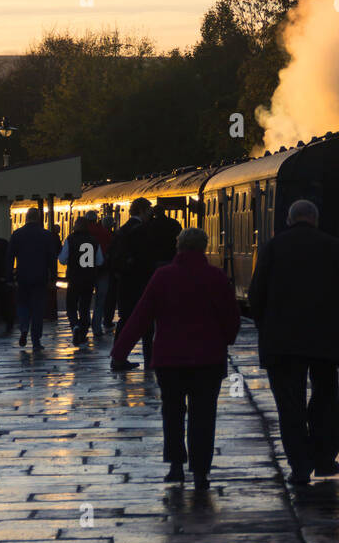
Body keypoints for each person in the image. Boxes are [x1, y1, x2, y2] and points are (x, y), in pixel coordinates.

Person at [111, 227, 240, 490]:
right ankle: (201, 471)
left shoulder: (163, 277)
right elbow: (231, 318)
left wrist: (120, 351)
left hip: (170, 362)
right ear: (204, 247)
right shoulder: (216, 277)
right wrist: (225, 339)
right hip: (208, 360)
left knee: (172, 413)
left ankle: (176, 466)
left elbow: (140, 317)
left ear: (178, 247)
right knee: (204, 415)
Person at [248, 199, 339, 487]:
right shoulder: (332, 245)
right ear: (315, 219)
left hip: (282, 341)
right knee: (325, 399)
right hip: (325, 339)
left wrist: (267, 325)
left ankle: (300, 466)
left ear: (289, 219)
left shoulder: (272, 247)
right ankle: (324, 460)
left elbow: (255, 295)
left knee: (290, 404)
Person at [106, 198, 155, 369]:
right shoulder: (142, 230)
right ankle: (150, 359)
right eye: (149, 209)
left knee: (125, 320)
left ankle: (118, 357)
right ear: (141, 210)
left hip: (124, 283)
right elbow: (146, 258)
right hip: (141, 282)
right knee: (147, 322)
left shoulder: (122, 230)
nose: (151, 213)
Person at [7, 208, 58, 351]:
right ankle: (36, 341)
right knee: (38, 309)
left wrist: (10, 277)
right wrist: (53, 277)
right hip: (40, 278)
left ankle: (24, 328)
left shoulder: (17, 235)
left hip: (22, 277)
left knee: (22, 304)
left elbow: (9, 257)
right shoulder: (46, 235)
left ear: (26, 218)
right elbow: (52, 258)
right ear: (39, 218)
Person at [60, 215, 103, 347]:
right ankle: (83, 333)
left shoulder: (70, 239)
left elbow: (62, 259)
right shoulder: (94, 241)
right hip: (89, 278)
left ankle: (74, 325)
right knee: (84, 306)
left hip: (74, 278)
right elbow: (100, 260)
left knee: (71, 305)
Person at [84, 210, 112, 337]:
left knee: (85, 299)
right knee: (100, 300)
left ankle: (84, 325)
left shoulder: (82, 233)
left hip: (86, 270)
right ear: (97, 219)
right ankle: (96, 327)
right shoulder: (105, 232)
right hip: (103, 269)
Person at [147, 205, 183, 269]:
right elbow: (180, 236)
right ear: (164, 212)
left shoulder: (151, 224)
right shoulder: (174, 223)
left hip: (156, 256)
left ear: (154, 213)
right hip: (171, 255)